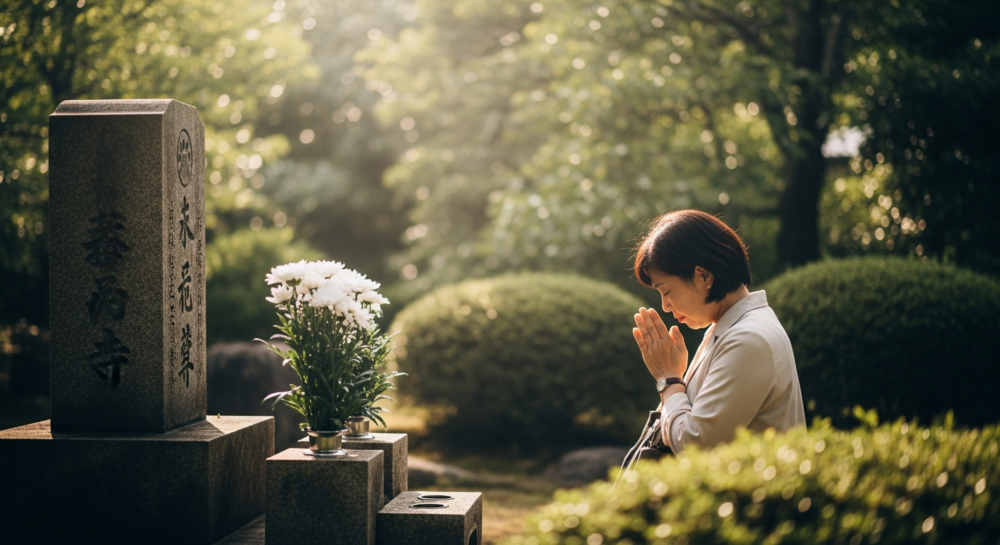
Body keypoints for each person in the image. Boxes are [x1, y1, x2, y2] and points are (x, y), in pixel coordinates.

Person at [631, 210, 806, 454]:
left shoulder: (748, 339)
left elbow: (695, 443)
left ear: (704, 276)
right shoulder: (729, 327)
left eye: (667, 291)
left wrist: (668, 378)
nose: (665, 306)